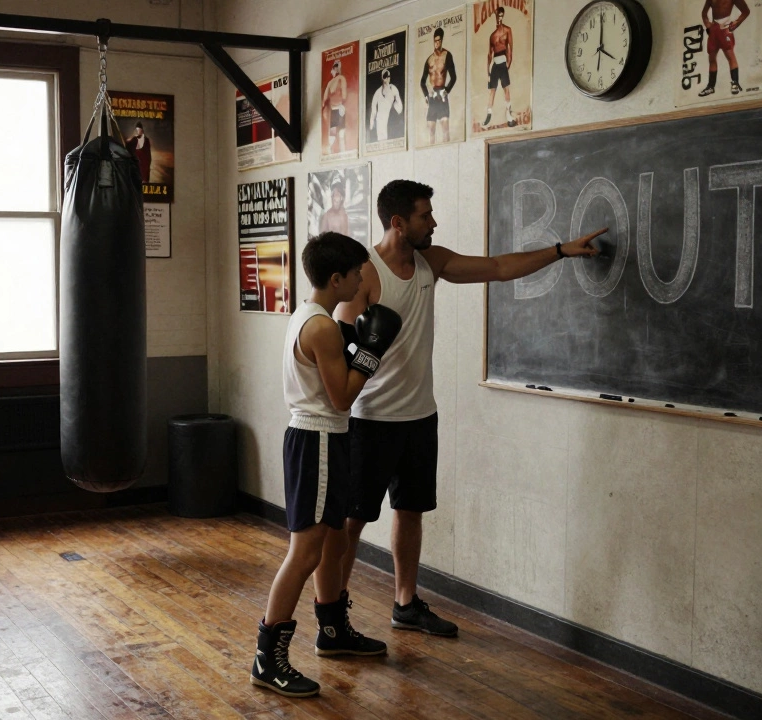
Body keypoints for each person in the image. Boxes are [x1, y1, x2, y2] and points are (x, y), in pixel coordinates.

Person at [334, 180, 604, 638]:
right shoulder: (365, 273)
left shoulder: (430, 262)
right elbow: (338, 353)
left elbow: (498, 267)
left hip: (420, 415)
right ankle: (333, 613)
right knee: (352, 520)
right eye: (425, 215)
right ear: (398, 222)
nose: (433, 222)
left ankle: (405, 603)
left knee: (411, 510)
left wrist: (560, 250)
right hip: (370, 420)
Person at [250, 232, 401, 698]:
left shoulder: (312, 316)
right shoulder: (319, 327)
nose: (362, 280)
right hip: (316, 437)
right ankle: (266, 658)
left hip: (327, 438)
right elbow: (342, 397)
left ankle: (333, 631)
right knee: (306, 551)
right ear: (336, 278)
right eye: (356, 274)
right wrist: (371, 355)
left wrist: (356, 349)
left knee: (333, 541)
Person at [698, 0, 750, 97]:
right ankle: (711, 86)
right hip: (714, 29)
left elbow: (746, 11)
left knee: (730, 55)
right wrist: (708, 25)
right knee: (712, 57)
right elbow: (704, 13)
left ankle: (735, 83)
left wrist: (736, 23)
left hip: (725, 28)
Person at [421, 26, 457, 144]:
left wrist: (446, 91)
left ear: (442, 40)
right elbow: (422, 82)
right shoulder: (429, 59)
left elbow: (453, 77)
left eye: (439, 41)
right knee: (431, 132)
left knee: (445, 130)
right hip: (432, 96)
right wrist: (426, 95)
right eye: (435, 41)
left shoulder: (447, 55)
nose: (437, 43)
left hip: (442, 94)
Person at [480, 6, 513, 129]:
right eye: (497, 16)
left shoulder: (507, 30)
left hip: (503, 63)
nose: (499, 19)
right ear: (495, 17)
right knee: (492, 90)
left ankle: (509, 115)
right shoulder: (492, 36)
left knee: (506, 89)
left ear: (502, 16)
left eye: (501, 16)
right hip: (495, 64)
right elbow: (489, 54)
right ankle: (488, 115)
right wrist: (488, 71)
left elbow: (510, 48)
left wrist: (508, 64)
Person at [368, 68, 404, 144]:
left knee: (389, 141)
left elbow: (399, 102)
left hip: (390, 119)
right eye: (385, 77)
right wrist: (371, 123)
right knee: (381, 142)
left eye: (388, 76)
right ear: (382, 78)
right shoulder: (377, 92)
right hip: (380, 120)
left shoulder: (393, 88)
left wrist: (396, 110)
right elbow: (373, 108)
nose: (387, 78)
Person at [323, 59, 350, 155]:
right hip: (337, 109)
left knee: (337, 135)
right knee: (337, 135)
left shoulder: (334, 81)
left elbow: (325, 100)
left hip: (337, 109)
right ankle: (337, 154)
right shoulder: (337, 80)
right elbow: (344, 96)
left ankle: (339, 154)